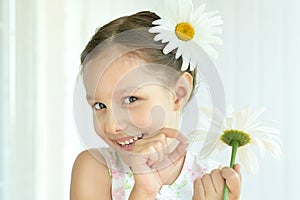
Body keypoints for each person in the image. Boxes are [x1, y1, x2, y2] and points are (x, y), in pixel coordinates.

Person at [70, 9, 241, 200]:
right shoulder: (96, 169)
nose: (112, 126)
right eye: (100, 106)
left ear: (179, 93)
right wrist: (144, 192)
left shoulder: (213, 184)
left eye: (130, 100)